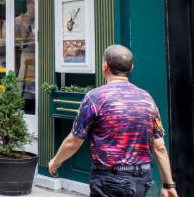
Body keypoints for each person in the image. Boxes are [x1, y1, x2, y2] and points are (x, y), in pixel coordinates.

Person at [48, 45, 178, 197]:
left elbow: (73, 141)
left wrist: (55, 162)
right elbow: (160, 147)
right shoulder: (147, 99)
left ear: (105, 66)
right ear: (132, 67)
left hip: (109, 179)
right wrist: (168, 184)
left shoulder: (94, 98)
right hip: (142, 178)